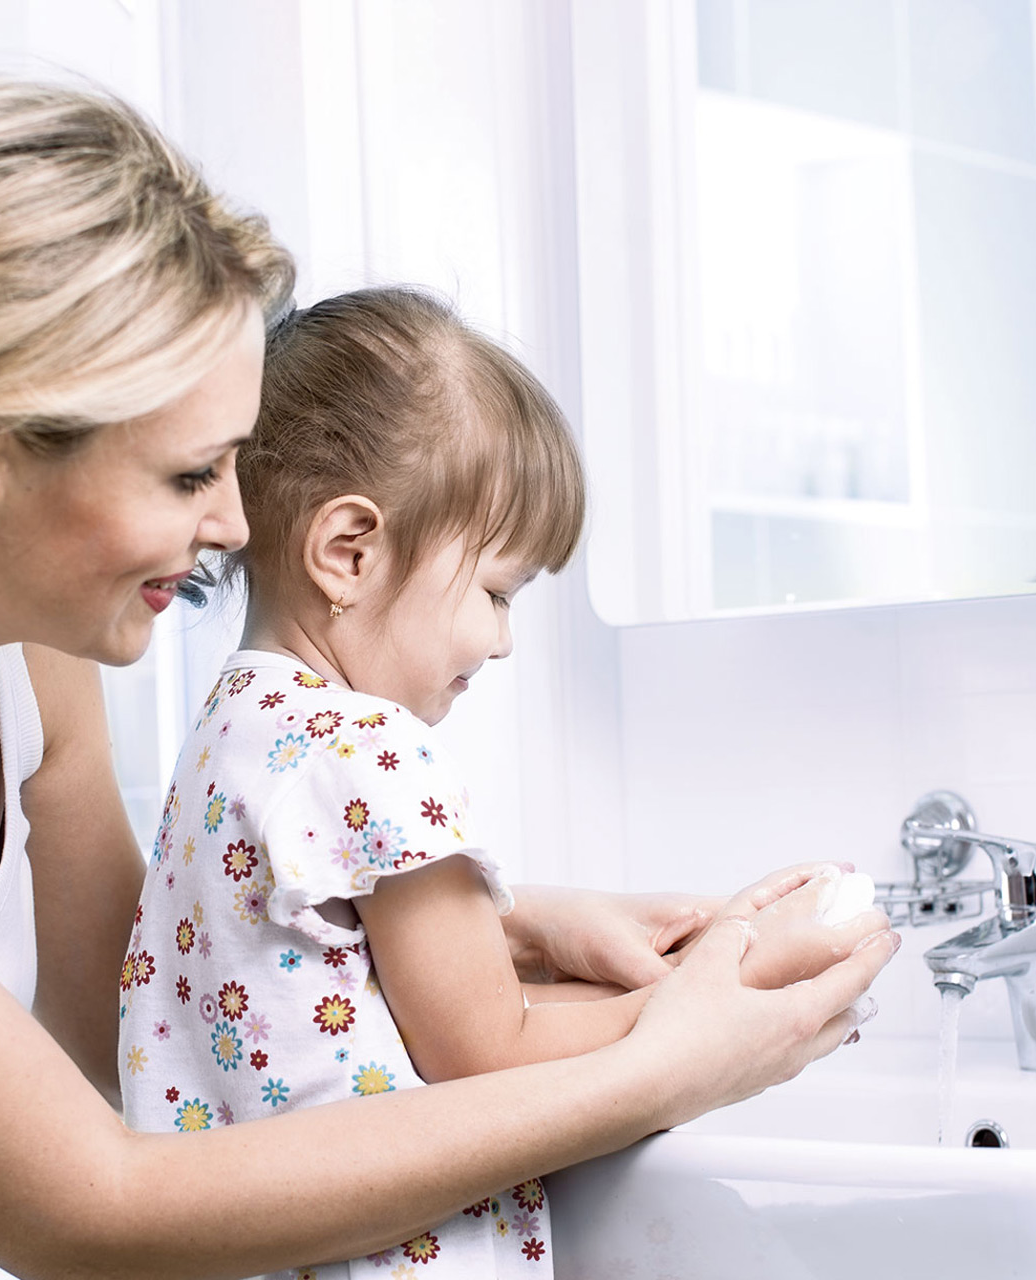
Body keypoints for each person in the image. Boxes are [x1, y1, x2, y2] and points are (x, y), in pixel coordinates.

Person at [0, 73, 896, 1280]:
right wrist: (662, 1067)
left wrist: (478, 923)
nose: (230, 523)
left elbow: (146, 998)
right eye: (189, 473)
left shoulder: (32, 655)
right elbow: (96, 1209)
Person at [117, 287, 892, 1278]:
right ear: (347, 550)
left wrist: (552, 933)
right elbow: (484, 1048)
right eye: (494, 591)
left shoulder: (231, 727)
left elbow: (362, 989)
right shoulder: (370, 749)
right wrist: (718, 989)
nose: (502, 638)